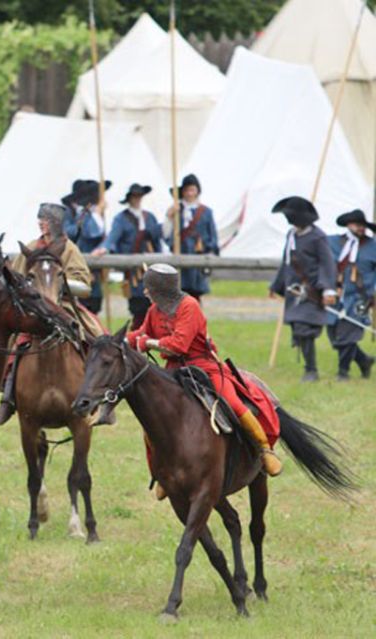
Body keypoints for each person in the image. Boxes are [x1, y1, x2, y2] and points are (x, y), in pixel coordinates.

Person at [128, 264, 282, 499]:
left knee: (232, 402)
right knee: (153, 419)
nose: (145, 292)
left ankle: (263, 450)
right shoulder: (154, 310)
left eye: (148, 288)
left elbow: (178, 344)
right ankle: (162, 474)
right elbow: (140, 333)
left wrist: (147, 343)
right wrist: (116, 340)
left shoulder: (189, 306)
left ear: (160, 288)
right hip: (173, 370)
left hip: (203, 367)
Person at [0, 203, 104, 425]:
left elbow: (84, 283)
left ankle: (100, 395)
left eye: (45, 220)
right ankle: (8, 398)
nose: (41, 223)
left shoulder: (69, 249)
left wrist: (58, 285)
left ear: (55, 223)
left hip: (63, 305)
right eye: (40, 219)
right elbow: (15, 278)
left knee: (94, 334)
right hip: (34, 307)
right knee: (14, 342)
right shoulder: (32, 247)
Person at [270, 196, 338, 383]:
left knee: (304, 328)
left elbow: (327, 264)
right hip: (294, 292)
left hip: (312, 292)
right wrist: (276, 285)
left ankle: (311, 371)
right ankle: (363, 360)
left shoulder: (318, 237)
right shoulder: (290, 235)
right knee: (298, 327)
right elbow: (286, 263)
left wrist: (328, 289)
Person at [93, 183, 165, 328]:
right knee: (138, 308)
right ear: (129, 198)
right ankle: (137, 339)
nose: (137, 199)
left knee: (154, 307)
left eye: (139, 196)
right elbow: (112, 238)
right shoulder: (121, 219)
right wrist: (104, 248)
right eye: (134, 196)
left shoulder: (149, 217)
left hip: (150, 268)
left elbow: (158, 240)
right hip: (133, 272)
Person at [327, 209, 376, 380]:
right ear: (348, 225)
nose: (360, 228)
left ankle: (343, 372)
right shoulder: (334, 242)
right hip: (336, 295)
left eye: (363, 225)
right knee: (334, 336)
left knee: (347, 336)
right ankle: (364, 360)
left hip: (360, 298)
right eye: (357, 224)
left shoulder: (373, 246)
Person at [167, 174, 219, 300]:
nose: (189, 193)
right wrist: (169, 216)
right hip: (181, 256)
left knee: (195, 297)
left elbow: (213, 236)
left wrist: (210, 253)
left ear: (197, 191)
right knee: (180, 295)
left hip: (199, 258)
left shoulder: (206, 212)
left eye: (192, 190)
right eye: (187, 190)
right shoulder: (176, 210)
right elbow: (167, 235)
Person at [63, 179, 110, 315]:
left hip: (94, 268)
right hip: (79, 263)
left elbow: (102, 236)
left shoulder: (89, 214)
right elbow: (90, 232)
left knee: (94, 303)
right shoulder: (81, 214)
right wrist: (96, 213)